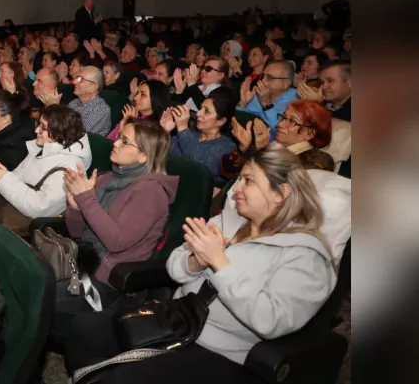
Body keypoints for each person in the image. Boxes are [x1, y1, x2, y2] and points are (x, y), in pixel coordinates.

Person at [71, 144, 336, 383]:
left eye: (248, 181)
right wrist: (195, 262)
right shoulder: (229, 221)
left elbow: (272, 320)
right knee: (83, 330)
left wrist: (220, 263)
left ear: (281, 193)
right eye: (239, 180)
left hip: (225, 351)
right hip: (176, 319)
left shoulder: (305, 254)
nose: (237, 189)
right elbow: (174, 265)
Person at [54, 119, 177, 340]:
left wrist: (86, 199)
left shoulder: (151, 192)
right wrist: (75, 206)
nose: (116, 143)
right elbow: (76, 233)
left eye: (125, 141)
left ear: (143, 156)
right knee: (29, 279)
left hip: (109, 281)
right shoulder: (109, 178)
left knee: (39, 296)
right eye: (119, 137)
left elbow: (116, 241)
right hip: (82, 264)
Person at [0, 105, 92, 234]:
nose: (37, 130)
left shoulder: (71, 168)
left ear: (59, 132)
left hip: (28, 233)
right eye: (38, 124)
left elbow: (41, 208)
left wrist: (3, 179)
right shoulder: (42, 149)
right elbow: (14, 184)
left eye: (43, 128)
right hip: (9, 218)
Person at [221, 99, 335, 180]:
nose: (281, 124)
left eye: (291, 121)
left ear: (310, 133)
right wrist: (243, 148)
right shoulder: (273, 145)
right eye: (283, 117)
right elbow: (226, 171)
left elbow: (281, 187)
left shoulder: (319, 161)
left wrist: (261, 153)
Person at [161, 88, 237, 185]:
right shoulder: (190, 135)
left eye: (206, 111)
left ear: (221, 121)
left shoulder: (227, 147)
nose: (198, 113)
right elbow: (161, 155)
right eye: (200, 108)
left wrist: (183, 128)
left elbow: (199, 166)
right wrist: (164, 131)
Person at [237, 61, 299, 131]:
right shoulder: (258, 94)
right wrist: (243, 102)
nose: (263, 80)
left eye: (269, 77)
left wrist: (266, 103)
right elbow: (236, 123)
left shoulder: (296, 103)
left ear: (286, 84)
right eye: (263, 76)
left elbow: (280, 130)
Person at [68, 66, 111, 136]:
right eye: (77, 78)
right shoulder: (74, 102)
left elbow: (76, 135)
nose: (74, 82)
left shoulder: (101, 110)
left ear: (94, 87)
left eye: (81, 79)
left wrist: (54, 106)